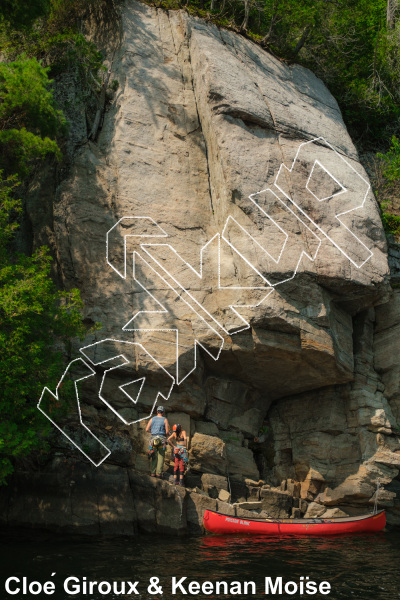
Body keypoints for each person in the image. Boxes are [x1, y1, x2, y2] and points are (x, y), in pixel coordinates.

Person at [145, 406, 170, 478]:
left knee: (154, 456)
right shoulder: (165, 420)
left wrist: (152, 432)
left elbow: (147, 429)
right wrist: (164, 435)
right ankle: (158, 473)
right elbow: (167, 432)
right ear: (163, 412)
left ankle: (153, 473)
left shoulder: (152, 419)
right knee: (161, 456)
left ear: (157, 412)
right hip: (162, 441)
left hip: (153, 440)